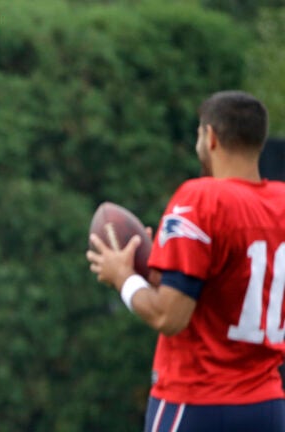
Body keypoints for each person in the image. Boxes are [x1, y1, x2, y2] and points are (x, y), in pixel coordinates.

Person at [86, 91, 285, 431]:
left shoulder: (202, 197)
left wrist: (123, 277)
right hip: (266, 407)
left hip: (198, 401)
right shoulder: (280, 202)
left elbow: (169, 316)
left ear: (211, 137)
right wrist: (165, 265)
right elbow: (231, 285)